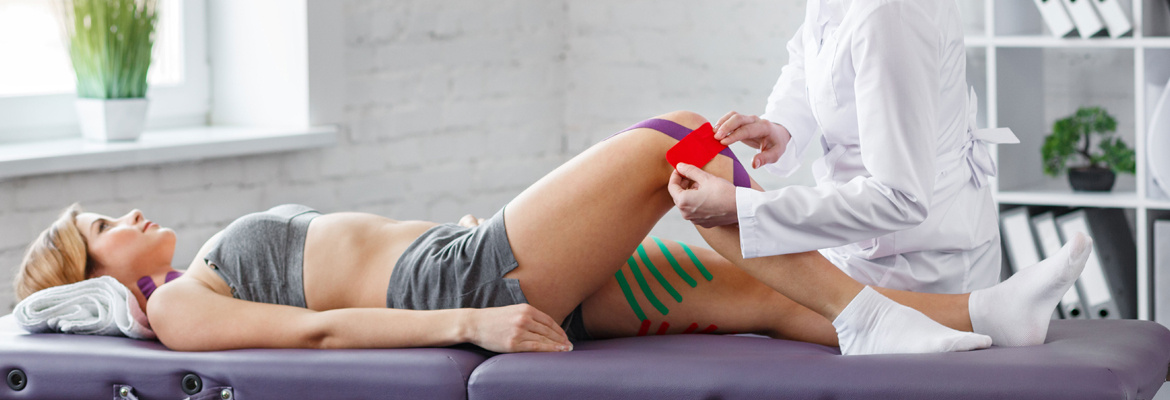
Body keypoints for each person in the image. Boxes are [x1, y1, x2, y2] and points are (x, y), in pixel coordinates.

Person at [14, 111, 1083, 355]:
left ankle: (989, 312)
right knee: (668, 145)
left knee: (736, 291)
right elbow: (319, 336)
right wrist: (471, 320)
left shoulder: (202, 265)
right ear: (91, 278)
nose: (131, 216)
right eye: (104, 227)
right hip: (460, 282)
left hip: (464, 252)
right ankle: (865, 312)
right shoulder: (180, 304)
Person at [673, 0, 1017, 294]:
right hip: (862, 244)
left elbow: (901, 198)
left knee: (721, 291)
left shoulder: (891, 15)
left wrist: (744, 209)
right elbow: (813, 55)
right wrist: (782, 125)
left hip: (920, 262)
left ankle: (983, 314)